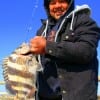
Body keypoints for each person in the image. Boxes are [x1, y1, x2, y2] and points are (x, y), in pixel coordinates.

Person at [29, 0, 100, 100]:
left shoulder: (84, 22)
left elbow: (86, 51)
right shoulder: (42, 30)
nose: (57, 6)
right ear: (47, 6)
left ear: (70, 3)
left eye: (62, 1)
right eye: (53, 3)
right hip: (44, 96)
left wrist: (47, 46)